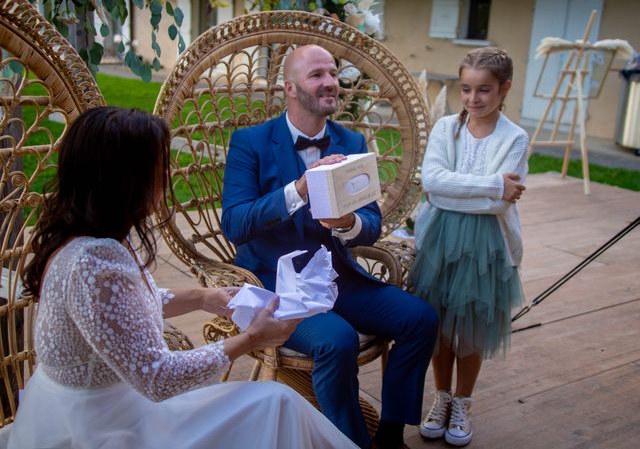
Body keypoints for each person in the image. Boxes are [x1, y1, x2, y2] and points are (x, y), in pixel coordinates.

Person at [5, 106, 359, 449]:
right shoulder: (93, 263)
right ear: (126, 178)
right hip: (103, 427)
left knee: (275, 405)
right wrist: (252, 338)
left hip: (113, 403)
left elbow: (122, 314)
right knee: (276, 405)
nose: (167, 177)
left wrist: (203, 298)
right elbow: (158, 378)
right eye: (159, 167)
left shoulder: (97, 236)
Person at [221, 44, 439, 449]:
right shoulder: (250, 142)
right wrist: (298, 190)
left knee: (420, 319)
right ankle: (350, 442)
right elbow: (234, 224)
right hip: (277, 284)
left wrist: (348, 224)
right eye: (317, 75)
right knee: (335, 340)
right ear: (290, 87)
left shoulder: (350, 140)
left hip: (339, 277)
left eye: (333, 74)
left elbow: (370, 223)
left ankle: (390, 435)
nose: (330, 83)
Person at [410, 47, 528, 447]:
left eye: (484, 90)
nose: (473, 99)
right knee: (439, 324)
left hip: (488, 245)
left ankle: (463, 400)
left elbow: (497, 205)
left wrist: (468, 192)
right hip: (439, 237)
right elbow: (433, 183)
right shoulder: (447, 129)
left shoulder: (515, 137)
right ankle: (441, 396)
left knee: (473, 327)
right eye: (466, 89)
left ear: (504, 88)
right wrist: (494, 184)